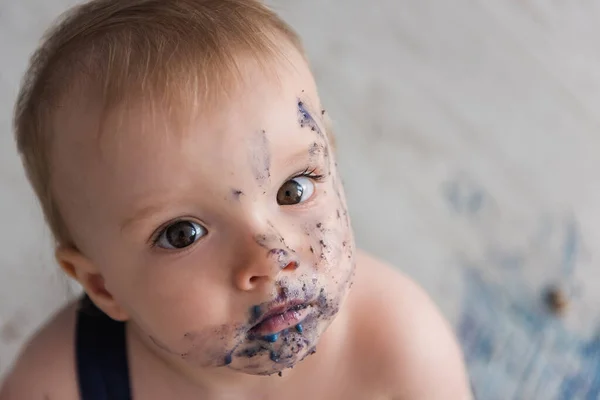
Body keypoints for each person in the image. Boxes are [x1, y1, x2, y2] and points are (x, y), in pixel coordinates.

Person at [0, 1, 471, 398]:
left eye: (295, 189)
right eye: (183, 233)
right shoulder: (60, 384)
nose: (272, 257)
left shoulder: (403, 350)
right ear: (103, 284)